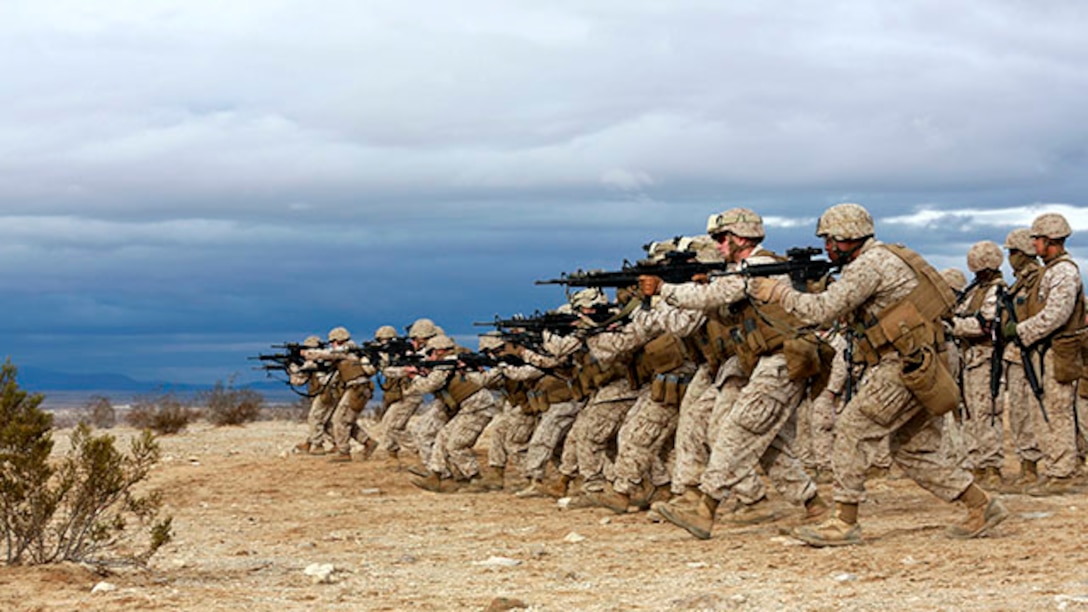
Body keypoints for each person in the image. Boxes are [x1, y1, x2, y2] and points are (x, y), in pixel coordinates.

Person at [747, 202, 1007, 546]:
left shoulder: (869, 265)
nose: (828, 248)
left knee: (853, 428)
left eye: (831, 241)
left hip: (907, 361)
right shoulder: (886, 256)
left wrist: (778, 292)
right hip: (928, 356)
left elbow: (822, 310)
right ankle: (981, 505)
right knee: (912, 449)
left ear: (849, 238)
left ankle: (843, 521)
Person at [642, 208, 827, 539]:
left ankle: (705, 509)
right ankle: (814, 504)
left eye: (720, 238)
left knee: (737, 431)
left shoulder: (760, 266)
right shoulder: (739, 269)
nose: (717, 245)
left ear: (739, 238)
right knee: (763, 442)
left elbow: (718, 295)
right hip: (762, 363)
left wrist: (663, 290)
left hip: (782, 361)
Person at [1006, 213, 1085, 496]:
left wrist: (1021, 330)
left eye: (1037, 239)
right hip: (1042, 351)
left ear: (1049, 240)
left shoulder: (1064, 272)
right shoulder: (1050, 271)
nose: (1034, 244)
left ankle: (1062, 472)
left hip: (1056, 351)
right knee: (1043, 412)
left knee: (1057, 411)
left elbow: (1056, 315)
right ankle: (1054, 468)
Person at [408, 334, 501, 492]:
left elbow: (429, 385)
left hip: (478, 407)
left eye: (431, 353)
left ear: (439, 351)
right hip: (470, 407)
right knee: (443, 437)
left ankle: (475, 479)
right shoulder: (449, 363)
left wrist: (415, 377)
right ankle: (436, 476)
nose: (429, 356)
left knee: (456, 445)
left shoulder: (446, 365)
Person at [948, 241, 1006, 486]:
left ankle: (991, 464)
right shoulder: (974, 291)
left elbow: (986, 324)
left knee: (987, 413)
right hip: (969, 359)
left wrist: (953, 326)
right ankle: (976, 462)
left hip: (985, 357)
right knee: (971, 413)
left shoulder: (997, 291)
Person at [998, 229, 1044, 488]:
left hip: (1032, 351)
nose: (1010, 258)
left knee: (1031, 411)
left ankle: (1034, 466)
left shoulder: (1038, 279)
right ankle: (1028, 464)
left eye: (1013, 253)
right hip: (1015, 353)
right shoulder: (1017, 283)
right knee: (1017, 412)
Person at [303, 327, 378, 462]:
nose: (331, 344)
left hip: (357, 389)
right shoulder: (351, 352)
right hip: (357, 388)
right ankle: (367, 442)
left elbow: (328, 354)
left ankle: (344, 452)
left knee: (339, 419)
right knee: (345, 419)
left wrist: (309, 353)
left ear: (338, 341)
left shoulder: (346, 350)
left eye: (332, 342)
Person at [291, 335, 338, 455]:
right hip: (319, 394)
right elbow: (298, 381)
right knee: (324, 421)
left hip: (326, 394)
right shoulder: (312, 364)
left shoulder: (327, 361)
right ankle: (337, 443)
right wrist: (294, 367)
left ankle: (317, 445)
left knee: (315, 418)